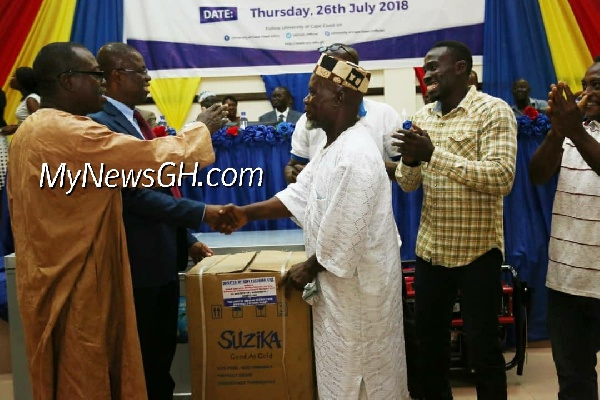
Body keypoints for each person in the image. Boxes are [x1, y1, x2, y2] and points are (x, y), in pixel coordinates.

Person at [7, 42, 225, 399]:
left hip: (49, 270)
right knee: (86, 372)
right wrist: (199, 130)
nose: (103, 83)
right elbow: (151, 160)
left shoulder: (33, 129)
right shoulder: (70, 133)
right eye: (95, 75)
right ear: (67, 81)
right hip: (77, 279)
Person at [221, 54, 408, 399]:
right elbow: (301, 193)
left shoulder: (356, 156)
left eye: (313, 92)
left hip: (360, 291)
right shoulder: (333, 146)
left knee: (362, 376)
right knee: (341, 372)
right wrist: (247, 212)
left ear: (339, 98)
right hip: (341, 291)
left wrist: (308, 267)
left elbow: (345, 233)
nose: (305, 99)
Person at [89, 42, 227, 399]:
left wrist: (187, 240)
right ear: (117, 76)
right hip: (136, 264)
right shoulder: (101, 124)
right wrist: (202, 212)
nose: (149, 78)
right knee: (144, 365)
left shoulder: (134, 121)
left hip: (162, 259)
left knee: (159, 362)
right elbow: (132, 196)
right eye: (141, 72)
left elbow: (162, 185)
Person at [393, 40, 517, 399]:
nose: (427, 74)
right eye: (426, 68)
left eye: (435, 67)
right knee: (429, 352)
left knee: (485, 353)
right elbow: (406, 184)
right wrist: (413, 160)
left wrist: (433, 154)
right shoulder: (421, 117)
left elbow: (501, 177)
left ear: (461, 68)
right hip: (432, 252)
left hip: (479, 252)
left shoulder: (493, 111)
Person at [529, 57, 600, 399]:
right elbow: (538, 175)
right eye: (585, 85)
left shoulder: (579, 131)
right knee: (574, 383)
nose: (587, 93)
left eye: (596, 85)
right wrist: (559, 132)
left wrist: (573, 130)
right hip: (568, 282)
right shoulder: (576, 130)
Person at [284, 43, 401, 183]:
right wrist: (297, 175)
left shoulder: (385, 115)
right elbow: (292, 166)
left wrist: (367, 166)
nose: (328, 73)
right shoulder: (308, 118)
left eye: (336, 68)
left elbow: (405, 172)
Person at [1, 67, 41, 136]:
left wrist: (15, 128)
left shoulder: (31, 100)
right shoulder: (28, 99)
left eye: (14, 76)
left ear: (21, 81)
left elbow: (39, 124)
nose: (11, 79)